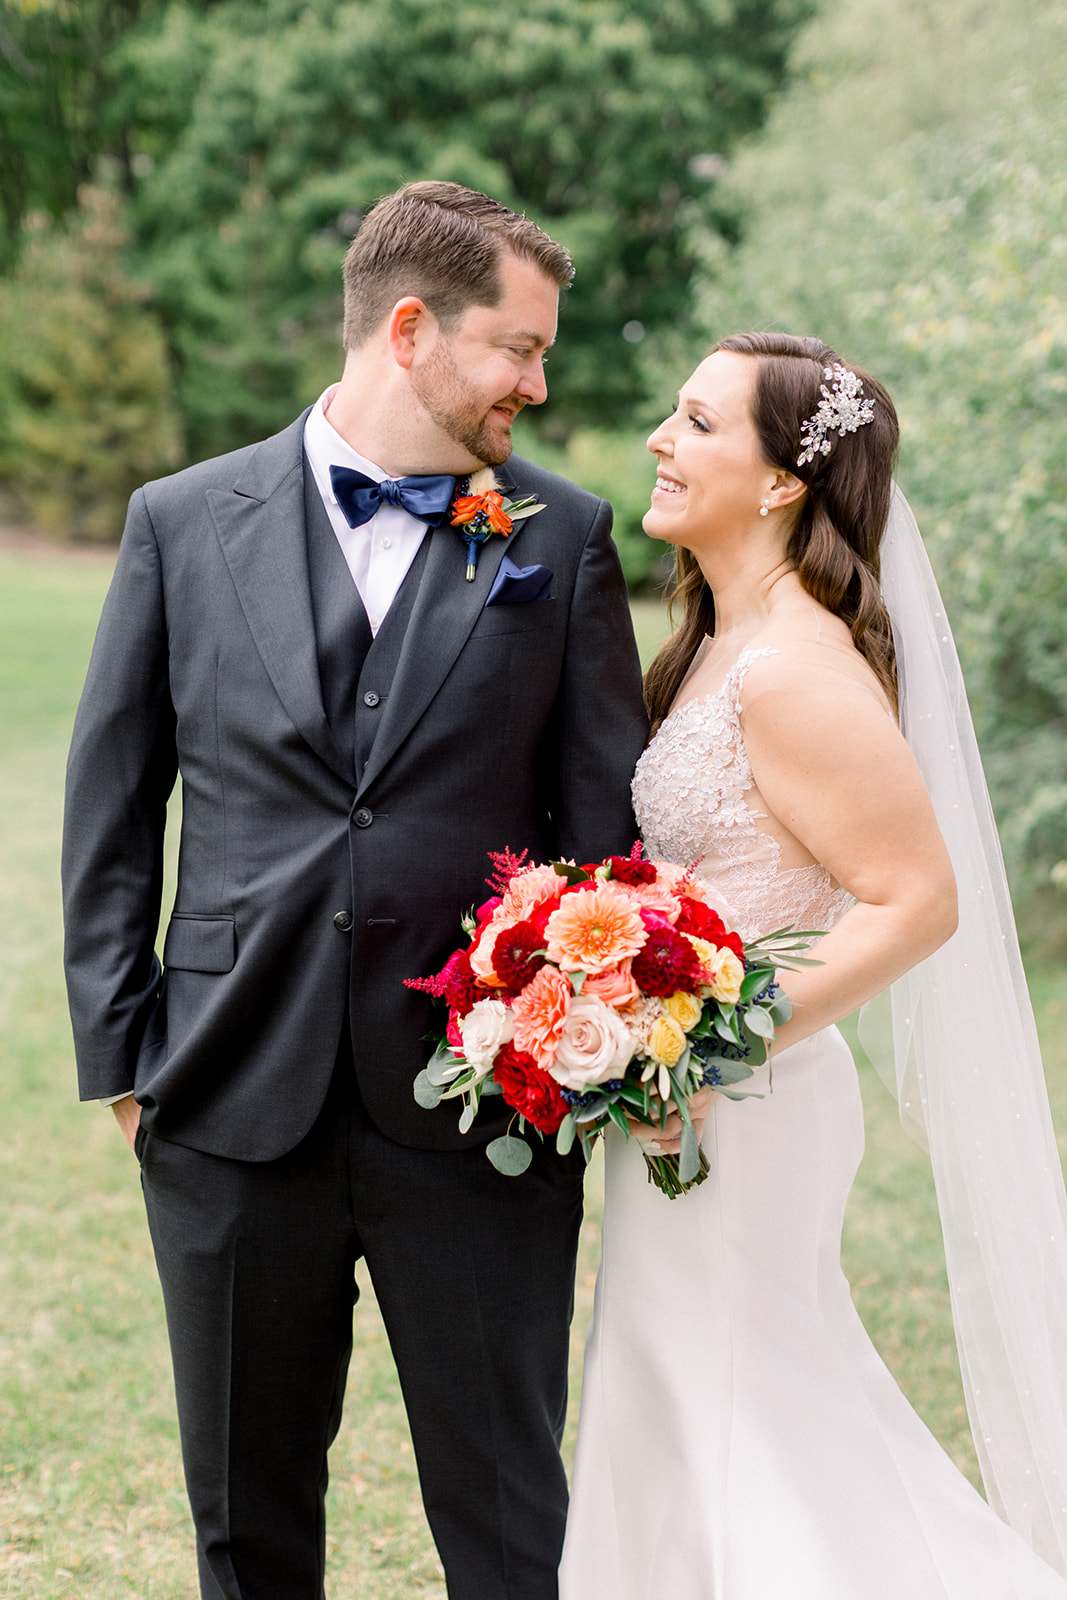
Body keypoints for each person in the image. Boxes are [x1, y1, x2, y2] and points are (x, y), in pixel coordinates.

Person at [61, 179, 649, 1600]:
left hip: (480, 1108)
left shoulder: (557, 535)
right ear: (410, 330)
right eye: (517, 347)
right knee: (245, 1518)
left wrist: (575, 1052)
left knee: (509, 1518)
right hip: (226, 1093)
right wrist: (125, 1062)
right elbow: (113, 803)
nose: (537, 382)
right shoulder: (180, 520)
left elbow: (600, 836)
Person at [559, 331, 1067, 1597]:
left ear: (783, 478)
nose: (659, 441)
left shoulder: (793, 669)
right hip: (690, 1099)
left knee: (745, 1405)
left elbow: (916, 899)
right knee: (692, 1396)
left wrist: (704, 1047)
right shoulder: (716, 641)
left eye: (696, 423)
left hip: (752, 1100)